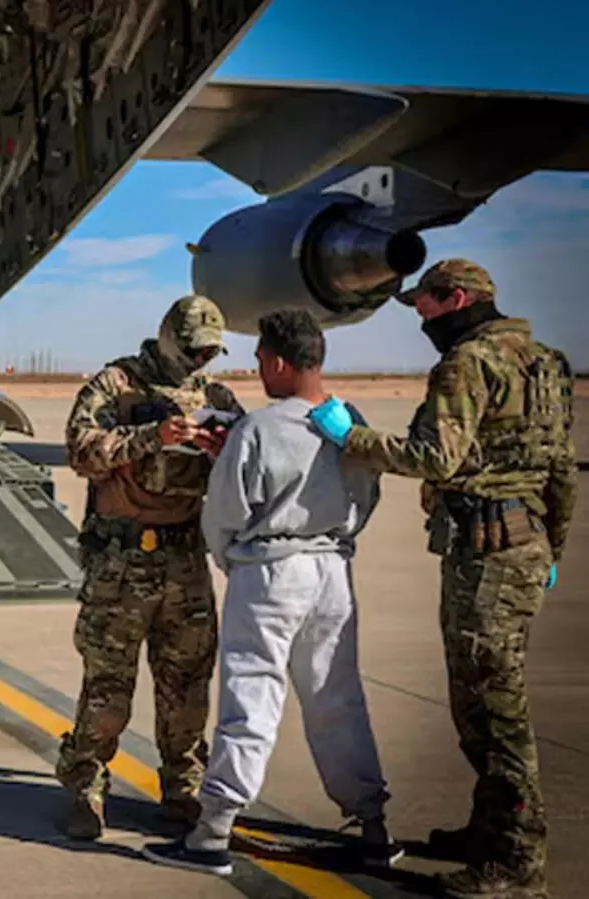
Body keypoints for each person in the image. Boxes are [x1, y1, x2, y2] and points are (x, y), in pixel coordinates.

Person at [312, 259, 577, 898]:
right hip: (524, 545)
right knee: (482, 701)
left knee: (492, 708)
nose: (422, 320)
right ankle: (491, 829)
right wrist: (552, 548)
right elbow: (561, 471)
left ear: (454, 298)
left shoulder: (467, 363)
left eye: (426, 307)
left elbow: (435, 457)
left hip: (486, 557)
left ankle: (517, 862)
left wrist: (353, 438)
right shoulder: (548, 362)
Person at [140, 308, 401, 876]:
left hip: (270, 573)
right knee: (337, 698)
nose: (259, 372)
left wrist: (234, 559)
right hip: (332, 570)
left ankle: (212, 832)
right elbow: (369, 495)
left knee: (251, 701)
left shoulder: (256, 429)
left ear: (280, 361)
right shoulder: (347, 421)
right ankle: (373, 824)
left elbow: (226, 515)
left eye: (260, 360)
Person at [56, 295, 245, 839]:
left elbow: (245, 468)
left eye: (209, 352)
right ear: (166, 335)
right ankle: (87, 784)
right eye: (192, 349)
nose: (199, 361)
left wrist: (220, 448)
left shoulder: (216, 396)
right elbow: (82, 450)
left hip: (184, 558)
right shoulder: (115, 385)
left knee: (187, 683)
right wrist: (150, 438)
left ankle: (183, 788)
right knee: (108, 684)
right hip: (121, 560)